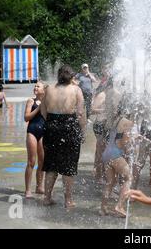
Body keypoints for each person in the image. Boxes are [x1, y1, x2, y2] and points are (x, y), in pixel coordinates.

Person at [40, 65, 86, 208]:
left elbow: (43, 111)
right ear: (72, 77)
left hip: (51, 126)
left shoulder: (48, 89)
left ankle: (47, 198)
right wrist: (82, 131)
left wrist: (52, 123)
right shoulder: (76, 90)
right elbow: (81, 114)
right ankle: (68, 200)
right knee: (69, 166)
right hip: (69, 126)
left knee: (51, 164)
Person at [100, 96, 135, 218]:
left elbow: (108, 138)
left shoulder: (114, 119)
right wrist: (134, 139)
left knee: (110, 182)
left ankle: (103, 208)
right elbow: (124, 142)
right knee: (128, 178)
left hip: (106, 154)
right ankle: (119, 206)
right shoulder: (127, 122)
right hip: (115, 154)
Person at [24, 82, 46, 198]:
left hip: (43, 133)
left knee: (42, 162)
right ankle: (28, 189)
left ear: (44, 90)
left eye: (38, 86)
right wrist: (38, 109)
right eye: (35, 86)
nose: (35, 87)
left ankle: (39, 186)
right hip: (32, 131)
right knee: (31, 162)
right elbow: (26, 117)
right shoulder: (31, 101)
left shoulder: (47, 103)